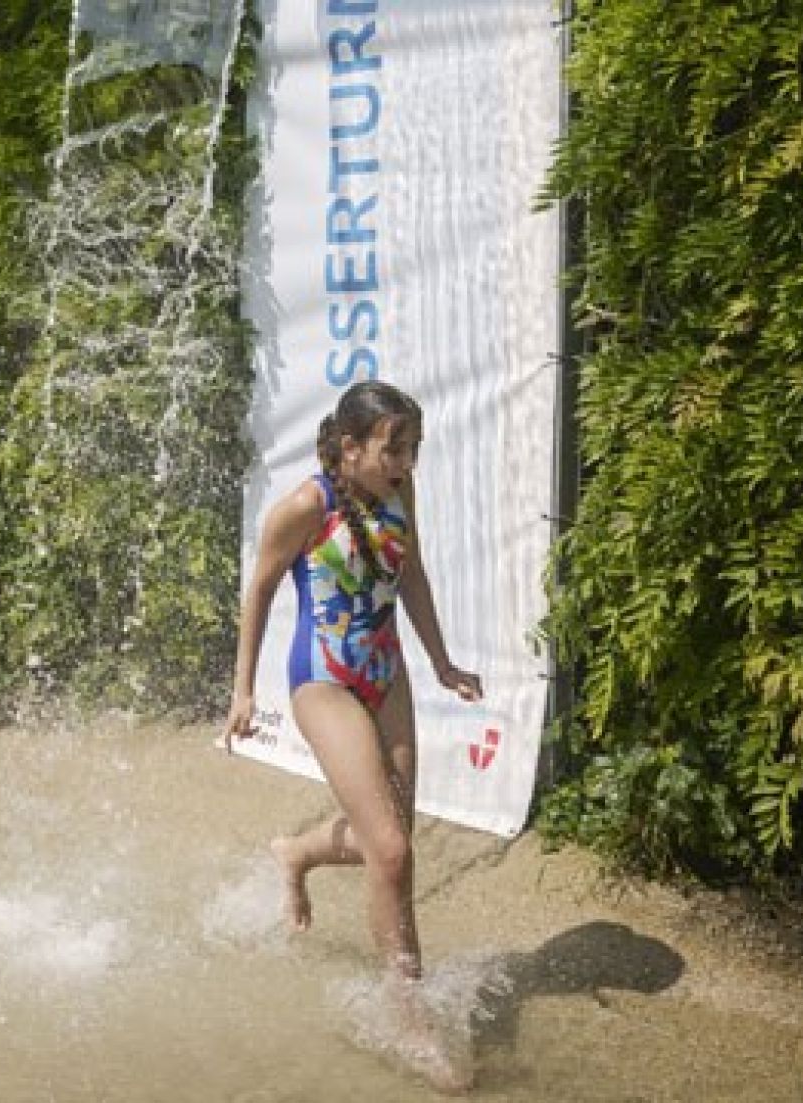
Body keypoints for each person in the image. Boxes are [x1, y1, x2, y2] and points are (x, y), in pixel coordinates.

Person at [223, 380, 483, 1094]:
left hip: (386, 672)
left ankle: (298, 851)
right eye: (393, 447)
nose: (405, 461)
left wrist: (441, 661)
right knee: (392, 850)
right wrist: (244, 689)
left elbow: (415, 576)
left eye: (412, 448)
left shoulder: (400, 496)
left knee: (391, 839)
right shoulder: (308, 506)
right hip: (324, 680)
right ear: (350, 446)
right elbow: (263, 589)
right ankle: (410, 1018)